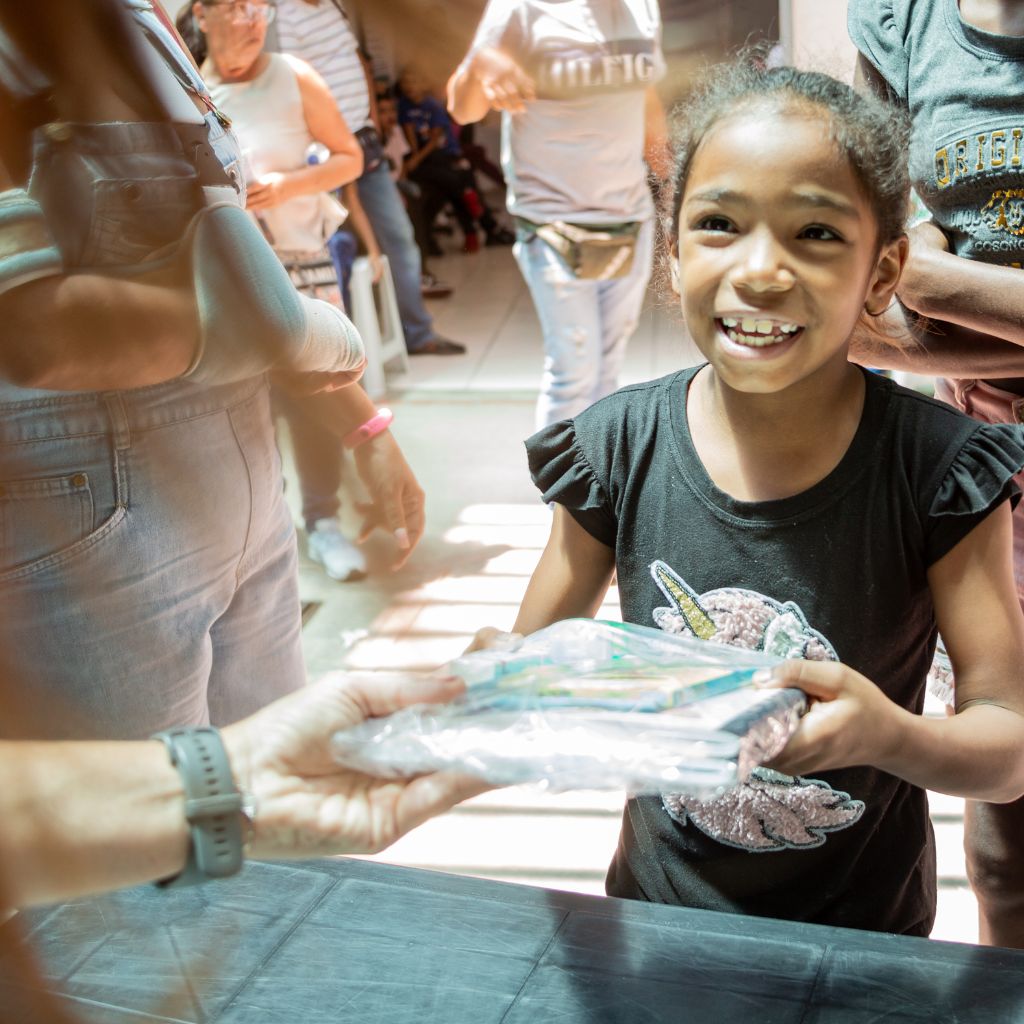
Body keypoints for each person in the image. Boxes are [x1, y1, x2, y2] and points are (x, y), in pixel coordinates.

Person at [486, 63, 1024, 937]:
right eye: (719, 225)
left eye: (815, 231)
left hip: (865, 945)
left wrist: (887, 735)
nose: (761, 270)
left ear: (883, 271)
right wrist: (501, 685)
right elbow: (533, 673)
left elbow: (1006, 749)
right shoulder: (615, 449)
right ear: (673, 251)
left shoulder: (940, 471)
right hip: (657, 925)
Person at [0, 0, 422, 740]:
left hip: (242, 485)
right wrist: (300, 334)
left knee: (266, 811)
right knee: (152, 835)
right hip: (97, 515)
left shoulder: (141, 22)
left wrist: (360, 422)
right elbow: (37, 331)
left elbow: (228, 263)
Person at [847, 0, 1024, 948]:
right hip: (979, 462)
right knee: (1006, 828)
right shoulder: (900, 24)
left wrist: (939, 284)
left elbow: (904, 282)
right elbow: (860, 303)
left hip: (964, 406)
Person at [447, 0, 670, 429]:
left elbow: (646, 100)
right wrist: (481, 62)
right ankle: (558, 496)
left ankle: (599, 485)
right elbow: (463, 109)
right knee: (574, 372)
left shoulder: (641, 7)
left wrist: (673, 185)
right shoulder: (519, 9)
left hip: (629, 215)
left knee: (607, 371)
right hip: (551, 219)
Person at [274, 0, 467, 357]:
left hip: (364, 142)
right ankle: (338, 350)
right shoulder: (283, 15)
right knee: (330, 253)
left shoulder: (334, 5)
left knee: (400, 237)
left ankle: (417, 332)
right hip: (325, 149)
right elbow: (292, 86)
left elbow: (360, 60)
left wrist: (374, 119)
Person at [396, 66, 514, 253]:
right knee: (458, 184)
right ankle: (483, 225)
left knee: (452, 183)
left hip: (440, 155)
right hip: (425, 160)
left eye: (414, 82)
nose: (409, 86)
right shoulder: (404, 105)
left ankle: (475, 228)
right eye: (405, 83)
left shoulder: (433, 106)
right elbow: (410, 134)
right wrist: (415, 157)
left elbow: (435, 140)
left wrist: (416, 158)